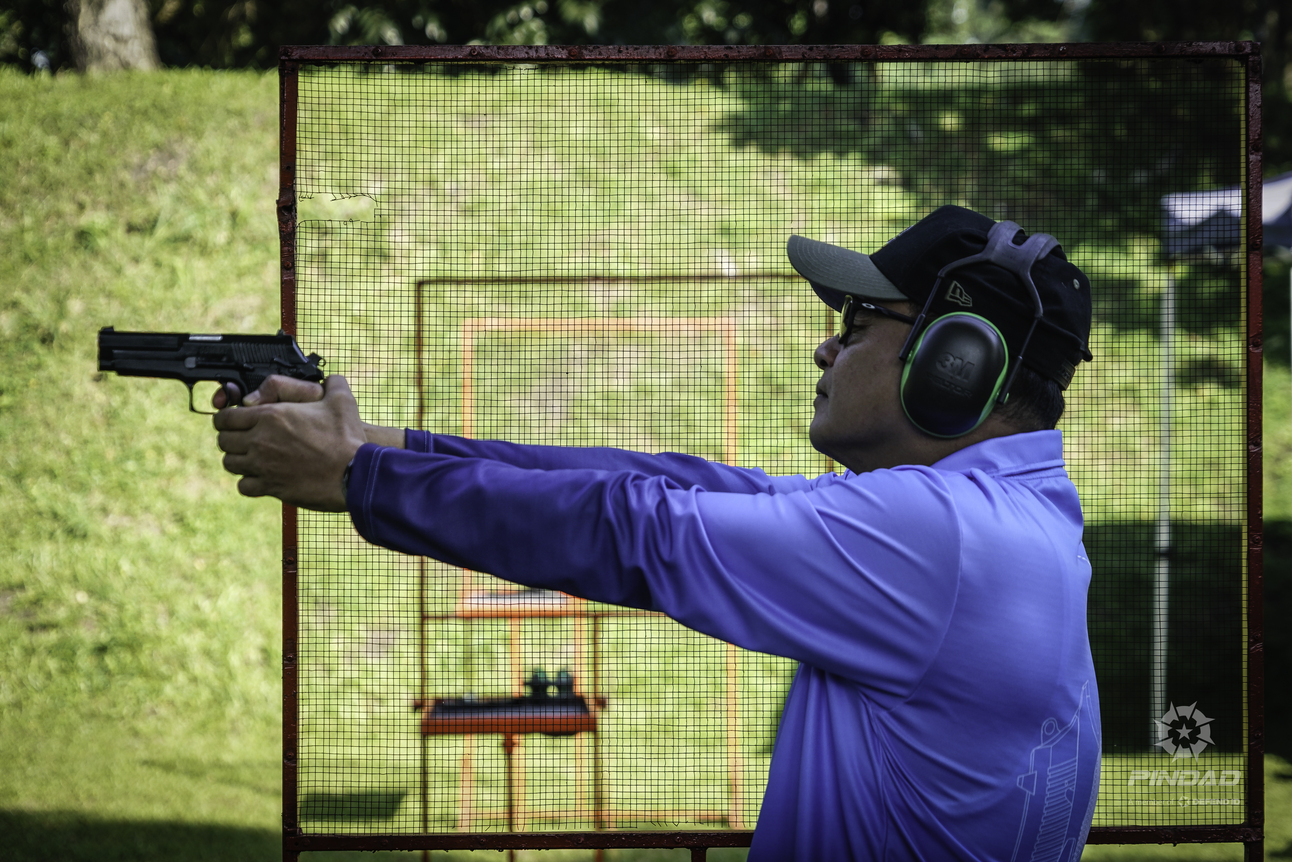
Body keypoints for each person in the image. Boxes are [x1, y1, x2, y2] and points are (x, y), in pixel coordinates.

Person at [214, 205, 1101, 860]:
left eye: (857, 325)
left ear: (956, 364)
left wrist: (357, 478)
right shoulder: (998, 519)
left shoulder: (939, 534)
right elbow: (670, 484)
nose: (827, 350)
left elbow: (632, 526)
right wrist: (374, 445)